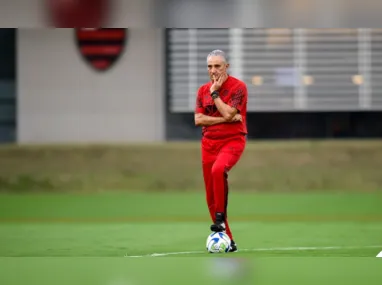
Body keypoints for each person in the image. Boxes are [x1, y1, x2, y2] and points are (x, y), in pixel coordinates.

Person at [194, 49, 248, 252]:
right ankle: (229, 240)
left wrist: (215, 94)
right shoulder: (201, 91)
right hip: (208, 144)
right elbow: (198, 120)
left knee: (218, 171)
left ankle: (219, 218)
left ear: (227, 66)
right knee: (210, 195)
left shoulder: (238, 87)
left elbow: (228, 112)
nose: (213, 70)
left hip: (232, 140)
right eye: (209, 66)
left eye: (217, 66)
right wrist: (223, 118)